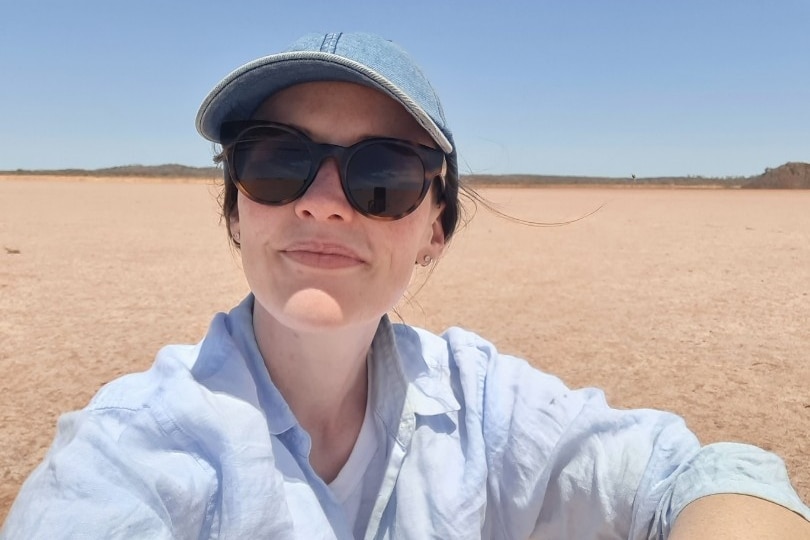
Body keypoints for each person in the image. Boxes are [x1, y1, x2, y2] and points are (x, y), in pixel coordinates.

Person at [2, 31, 809, 540]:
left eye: (381, 177)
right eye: (276, 162)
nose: (322, 200)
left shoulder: (480, 402)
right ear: (237, 210)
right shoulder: (132, 452)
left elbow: (697, 475)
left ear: (435, 232)